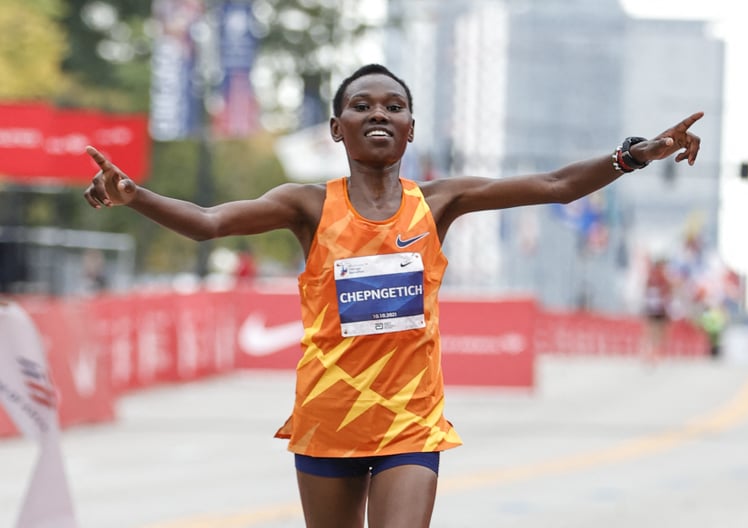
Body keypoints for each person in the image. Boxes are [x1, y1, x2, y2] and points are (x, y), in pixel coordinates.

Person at [83, 64, 703, 528]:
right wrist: (134, 196)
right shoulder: (306, 205)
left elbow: (556, 184)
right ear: (336, 127)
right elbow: (210, 221)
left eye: (394, 106)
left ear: (410, 128)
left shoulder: (436, 203)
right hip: (328, 417)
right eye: (361, 105)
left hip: (410, 421)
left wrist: (634, 154)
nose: (378, 113)